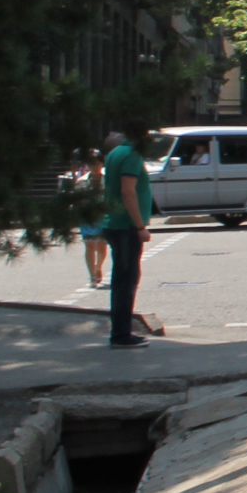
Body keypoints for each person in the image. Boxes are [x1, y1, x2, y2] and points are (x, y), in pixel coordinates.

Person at [99, 127, 153, 347]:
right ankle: (121, 335)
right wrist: (140, 226)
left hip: (114, 223)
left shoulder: (115, 152)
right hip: (126, 226)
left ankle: (121, 331)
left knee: (121, 279)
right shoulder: (132, 155)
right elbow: (127, 191)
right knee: (127, 281)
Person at [72, 152, 107, 288]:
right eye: (92, 164)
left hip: (103, 216)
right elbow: (77, 199)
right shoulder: (82, 181)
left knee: (101, 245)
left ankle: (98, 267)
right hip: (87, 216)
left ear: (101, 164)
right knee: (89, 245)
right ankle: (92, 274)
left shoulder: (107, 180)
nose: (95, 167)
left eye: (97, 164)